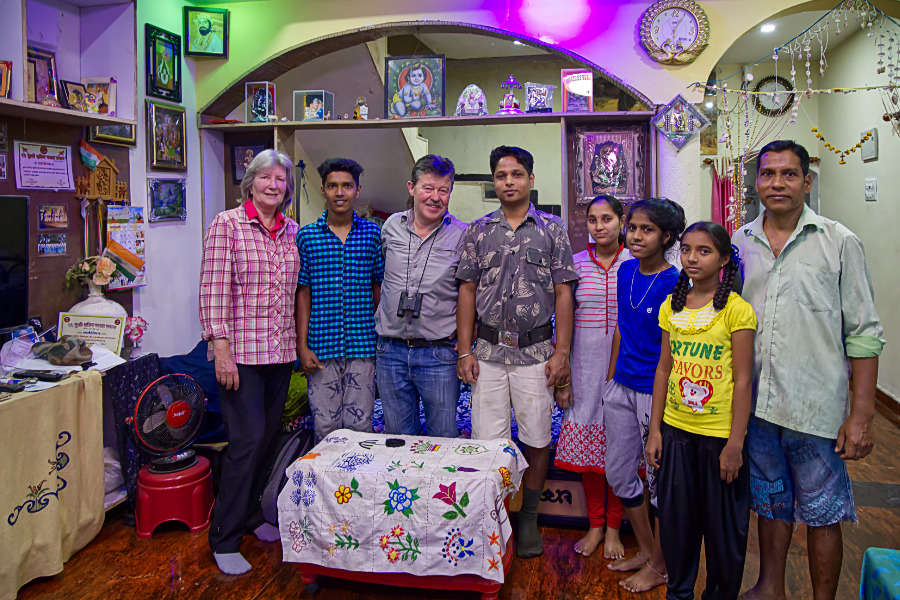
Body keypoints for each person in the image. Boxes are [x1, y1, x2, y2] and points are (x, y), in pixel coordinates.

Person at [733, 140, 884, 600]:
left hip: (814, 408)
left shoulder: (838, 242)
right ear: (756, 182)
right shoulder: (739, 242)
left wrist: (861, 414)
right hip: (756, 406)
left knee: (823, 512)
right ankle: (770, 587)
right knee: (770, 503)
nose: (777, 183)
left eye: (789, 174)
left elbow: (863, 333)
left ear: (807, 181)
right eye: (768, 174)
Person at [456, 145, 577, 559]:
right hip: (487, 353)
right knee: (487, 444)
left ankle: (528, 518)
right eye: (501, 175)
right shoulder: (477, 231)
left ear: (530, 179)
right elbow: (467, 290)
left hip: (537, 352)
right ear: (494, 182)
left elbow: (564, 292)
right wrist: (464, 350)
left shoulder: (552, 229)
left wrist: (562, 352)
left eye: (517, 174)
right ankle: (494, 515)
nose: (509, 181)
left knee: (537, 439)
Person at [199, 149, 300, 575]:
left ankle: (254, 516)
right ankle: (224, 536)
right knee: (245, 442)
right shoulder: (228, 224)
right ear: (251, 182)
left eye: (280, 179)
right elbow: (213, 290)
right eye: (265, 177)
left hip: (281, 352)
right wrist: (220, 349)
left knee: (268, 438)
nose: (273, 185)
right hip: (240, 356)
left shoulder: (293, 230)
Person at [646, 221, 756, 600]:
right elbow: (664, 369)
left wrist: (735, 444)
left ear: (724, 259)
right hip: (676, 433)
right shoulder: (671, 306)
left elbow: (743, 380)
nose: (692, 258)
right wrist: (656, 431)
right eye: (687, 250)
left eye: (704, 251)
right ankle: (678, 593)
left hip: (719, 440)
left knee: (724, 534)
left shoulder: (736, 311)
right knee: (677, 526)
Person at [604, 198, 685, 593]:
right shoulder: (625, 270)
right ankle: (649, 552)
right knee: (620, 475)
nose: (635, 236)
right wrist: (609, 381)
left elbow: (675, 351)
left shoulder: (677, 283)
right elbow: (621, 327)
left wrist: (659, 414)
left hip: (656, 392)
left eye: (646, 230)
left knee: (660, 484)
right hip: (621, 387)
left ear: (666, 237)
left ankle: (661, 565)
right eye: (632, 227)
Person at [554, 195, 630, 559]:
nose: (599, 226)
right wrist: (564, 378)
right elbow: (562, 322)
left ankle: (615, 527)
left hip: (626, 371)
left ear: (621, 221)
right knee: (591, 457)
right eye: (593, 220)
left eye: (607, 219)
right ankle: (595, 526)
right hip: (584, 371)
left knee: (622, 452)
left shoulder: (636, 262)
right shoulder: (575, 263)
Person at [375, 155, 466, 438]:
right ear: (411, 188)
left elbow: (470, 291)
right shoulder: (390, 227)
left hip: (438, 354)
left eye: (443, 190)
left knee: (443, 440)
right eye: (428, 188)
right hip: (390, 352)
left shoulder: (462, 235)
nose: (435, 197)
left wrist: (467, 338)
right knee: (398, 440)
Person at [296, 158, 384, 443]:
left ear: (357, 190)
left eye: (347, 186)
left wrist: (382, 337)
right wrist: (302, 346)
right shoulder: (307, 237)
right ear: (323, 190)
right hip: (321, 347)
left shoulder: (372, 234)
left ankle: (359, 474)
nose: (340, 192)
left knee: (361, 426)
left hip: (363, 345)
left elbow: (378, 287)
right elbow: (303, 293)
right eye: (332, 186)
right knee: (325, 428)